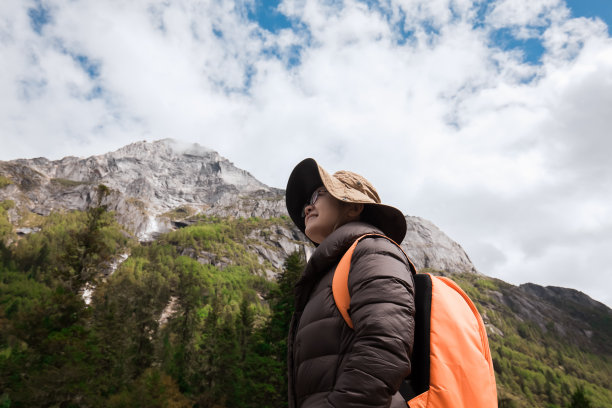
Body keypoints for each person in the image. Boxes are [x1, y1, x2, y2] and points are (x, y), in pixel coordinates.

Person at [285, 158, 415, 408]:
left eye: (317, 196)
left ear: (353, 208)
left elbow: (385, 345)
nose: (306, 209)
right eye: (305, 204)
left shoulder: (373, 250)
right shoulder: (334, 268)